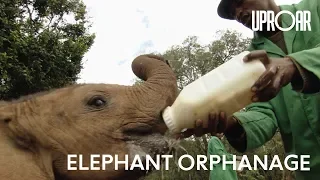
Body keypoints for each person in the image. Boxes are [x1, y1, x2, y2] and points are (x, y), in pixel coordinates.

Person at [179, 0, 320, 179]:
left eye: (239, 2)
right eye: (232, 14)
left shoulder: (314, 9)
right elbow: (265, 113)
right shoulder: (249, 63)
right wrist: (231, 124)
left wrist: (294, 64)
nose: (238, 13)